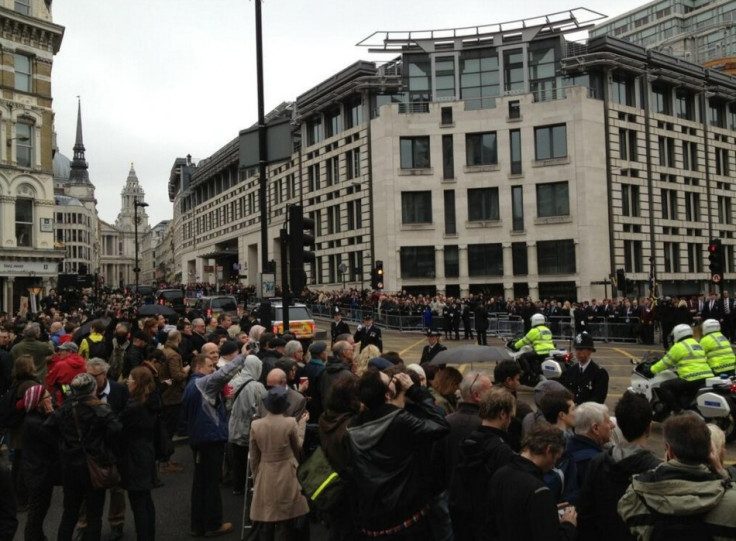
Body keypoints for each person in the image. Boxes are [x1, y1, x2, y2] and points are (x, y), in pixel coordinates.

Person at [347, 370, 449, 539]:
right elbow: (440, 426)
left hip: (372, 517)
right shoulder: (399, 420)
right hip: (405, 517)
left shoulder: (353, 426)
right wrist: (416, 391)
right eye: (390, 380)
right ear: (388, 395)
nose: (394, 379)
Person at [618, 413, 736, 540]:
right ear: (710, 453)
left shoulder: (634, 497)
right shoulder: (731, 501)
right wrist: (721, 472)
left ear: (669, 450)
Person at [43, 372, 122, 541]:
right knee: (94, 514)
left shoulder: (63, 409)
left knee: (70, 512)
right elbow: (116, 431)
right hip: (95, 464)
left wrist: (63, 447)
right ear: (93, 388)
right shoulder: (100, 408)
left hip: (70, 465)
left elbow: (48, 430)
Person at [577, 391, 661, 541]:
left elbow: (585, 513)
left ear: (619, 425)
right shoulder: (656, 471)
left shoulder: (598, 463)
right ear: (649, 428)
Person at [180, 351, 248, 537]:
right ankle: (213, 523)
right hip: (210, 439)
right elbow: (223, 374)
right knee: (211, 484)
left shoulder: (190, 386)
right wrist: (242, 356)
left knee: (200, 483)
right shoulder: (202, 383)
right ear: (198, 368)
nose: (213, 370)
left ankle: (198, 524)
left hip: (199, 438)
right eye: (210, 366)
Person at [489, 423, 577, 541]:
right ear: (549, 450)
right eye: (556, 458)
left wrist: (549, 510)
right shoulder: (539, 491)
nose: (554, 465)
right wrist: (568, 525)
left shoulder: (500, 473)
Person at [451, 387, 517, 541]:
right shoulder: (502, 450)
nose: (510, 421)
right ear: (502, 414)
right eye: (510, 416)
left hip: (464, 521)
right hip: (489, 526)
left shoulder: (468, 441)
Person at [249, 385, 310, 539]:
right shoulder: (289, 423)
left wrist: (256, 476)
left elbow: (254, 456)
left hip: (266, 471)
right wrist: (302, 424)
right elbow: (298, 446)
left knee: (267, 517)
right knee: (285, 518)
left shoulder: (256, 425)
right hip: (287, 471)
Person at [120, 366, 159, 541]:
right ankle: (149, 535)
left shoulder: (133, 407)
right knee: (145, 499)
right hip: (147, 452)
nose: (127, 382)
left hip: (133, 456)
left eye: (130, 379)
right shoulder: (152, 402)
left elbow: (118, 429)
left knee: (138, 503)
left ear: (137, 383)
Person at [649, 323, 713, 413]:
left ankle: (678, 411)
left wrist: (651, 370)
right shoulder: (697, 344)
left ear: (678, 334)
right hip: (706, 376)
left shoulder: (678, 347)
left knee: (664, 386)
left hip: (691, 378)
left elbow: (665, 362)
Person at [21, 384, 57, 541]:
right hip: (38, 474)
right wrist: (52, 415)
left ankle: (38, 536)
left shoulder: (35, 417)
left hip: (39, 472)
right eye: (47, 397)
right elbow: (53, 439)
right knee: (36, 512)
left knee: (41, 510)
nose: (51, 399)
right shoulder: (34, 422)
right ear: (38, 402)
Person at [228, 354, 267, 495]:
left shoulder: (233, 381)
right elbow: (264, 406)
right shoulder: (257, 386)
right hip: (250, 427)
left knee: (237, 458)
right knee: (251, 458)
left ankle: (237, 486)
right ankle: (250, 486)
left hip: (233, 425)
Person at [7, 354, 42, 511]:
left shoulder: (17, 382)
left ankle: (15, 494)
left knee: (18, 461)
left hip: (17, 427)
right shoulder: (30, 384)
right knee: (24, 463)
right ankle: (21, 497)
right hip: (25, 428)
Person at [565, 402, 614, 504]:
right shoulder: (597, 462)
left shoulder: (566, 447)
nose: (612, 425)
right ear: (595, 428)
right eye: (608, 421)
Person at [493, 360, 533, 451]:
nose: (519, 383)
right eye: (517, 379)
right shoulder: (520, 408)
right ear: (509, 381)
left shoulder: (487, 400)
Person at [559, 332, 609, 404]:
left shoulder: (599, 373)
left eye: (581, 349)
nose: (578, 352)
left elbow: (598, 399)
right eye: (577, 349)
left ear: (590, 351)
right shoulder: (570, 371)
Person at [514, 313, 555, 385]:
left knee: (523, 357)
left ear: (535, 321)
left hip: (540, 351)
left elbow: (524, 341)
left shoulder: (534, 330)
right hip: (550, 351)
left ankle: (531, 374)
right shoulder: (547, 329)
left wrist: (515, 345)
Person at [45, 341, 86, 406]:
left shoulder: (60, 365)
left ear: (69, 351)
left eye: (61, 350)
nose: (59, 353)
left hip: (61, 400)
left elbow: (48, 382)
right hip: (81, 397)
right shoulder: (84, 363)